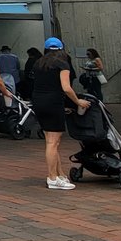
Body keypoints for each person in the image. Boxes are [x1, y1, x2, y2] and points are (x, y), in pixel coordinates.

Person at [31, 37, 91, 190]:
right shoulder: (62, 63)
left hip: (38, 101)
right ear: (61, 49)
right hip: (53, 103)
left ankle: (60, 174)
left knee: (51, 141)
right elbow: (66, 87)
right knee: (53, 142)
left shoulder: (39, 63)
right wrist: (78, 102)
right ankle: (52, 178)